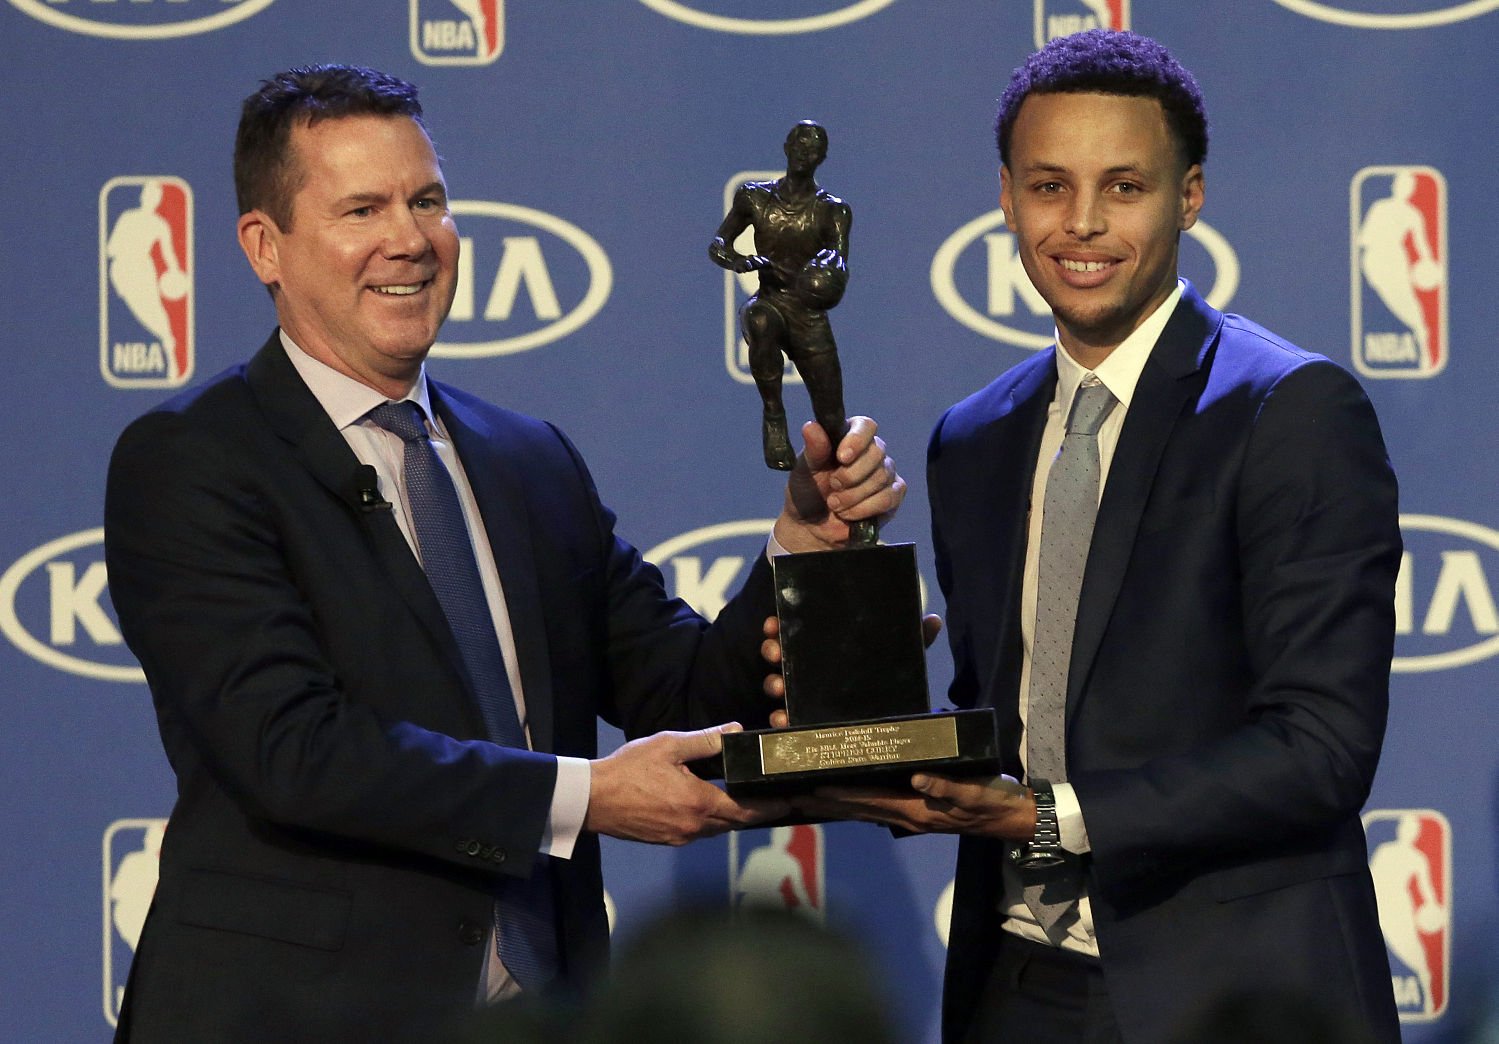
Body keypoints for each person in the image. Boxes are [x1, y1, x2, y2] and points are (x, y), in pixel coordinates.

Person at [103, 64, 904, 1040]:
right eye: (361, 209)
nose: (409, 239)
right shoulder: (195, 459)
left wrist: (800, 549)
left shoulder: (525, 460)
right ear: (265, 246)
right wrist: (584, 796)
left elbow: (683, 691)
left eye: (426, 201)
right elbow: (292, 750)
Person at [790, 31, 1402, 1042]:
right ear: (1005, 197)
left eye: (1122, 187)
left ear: (1187, 197)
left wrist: (1046, 816)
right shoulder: (973, 437)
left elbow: (1320, 748)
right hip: (1012, 987)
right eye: (1048, 186)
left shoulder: (1289, 411)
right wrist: (866, 714)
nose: (1080, 223)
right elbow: (999, 718)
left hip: (1231, 999)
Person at [709, 121, 853, 473]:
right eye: (799, 145)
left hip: (809, 315)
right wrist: (738, 260)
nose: (804, 153)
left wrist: (830, 271)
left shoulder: (833, 210)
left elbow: (839, 261)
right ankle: (774, 416)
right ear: (786, 147)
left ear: (822, 158)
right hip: (770, 299)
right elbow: (719, 243)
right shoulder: (753, 198)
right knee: (758, 319)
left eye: (813, 149)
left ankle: (844, 487)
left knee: (833, 419)